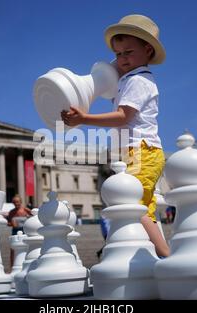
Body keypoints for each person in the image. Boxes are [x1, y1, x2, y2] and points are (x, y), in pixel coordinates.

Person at [62, 14, 170, 257]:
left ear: (148, 50)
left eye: (128, 52)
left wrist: (84, 119)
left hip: (141, 150)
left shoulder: (138, 80)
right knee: (142, 209)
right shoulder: (128, 79)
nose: (121, 59)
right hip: (136, 151)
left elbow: (123, 116)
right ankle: (153, 257)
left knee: (132, 207)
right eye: (118, 54)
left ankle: (167, 256)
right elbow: (108, 75)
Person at [4, 195, 32, 271]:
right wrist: (11, 224)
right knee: (13, 249)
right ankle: (12, 267)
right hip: (15, 232)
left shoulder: (26, 210)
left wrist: (28, 218)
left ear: (21, 202)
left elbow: (33, 218)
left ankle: (28, 266)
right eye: (14, 202)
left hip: (24, 232)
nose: (16, 203)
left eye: (17, 202)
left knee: (27, 248)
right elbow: (8, 222)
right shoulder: (11, 212)